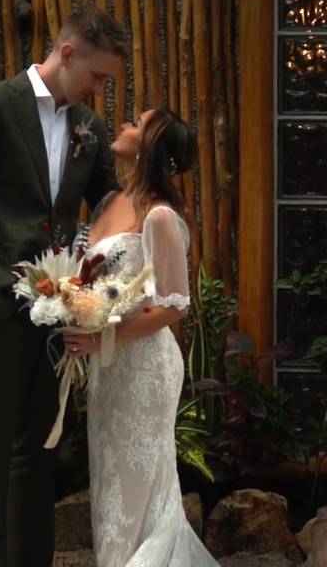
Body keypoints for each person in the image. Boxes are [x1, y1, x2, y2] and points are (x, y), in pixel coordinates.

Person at [0, 6, 127, 567]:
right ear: (67, 54)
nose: (99, 89)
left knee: (42, 451)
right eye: (97, 76)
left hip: (60, 312)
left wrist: (95, 279)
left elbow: (109, 206)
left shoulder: (91, 128)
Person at [63, 107, 219, 566]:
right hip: (109, 366)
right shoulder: (111, 203)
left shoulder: (160, 217)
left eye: (135, 122)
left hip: (146, 367)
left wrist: (100, 339)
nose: (124, 125)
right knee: (110, 482)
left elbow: (172, 305)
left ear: (151, 144)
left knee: (139, 483)